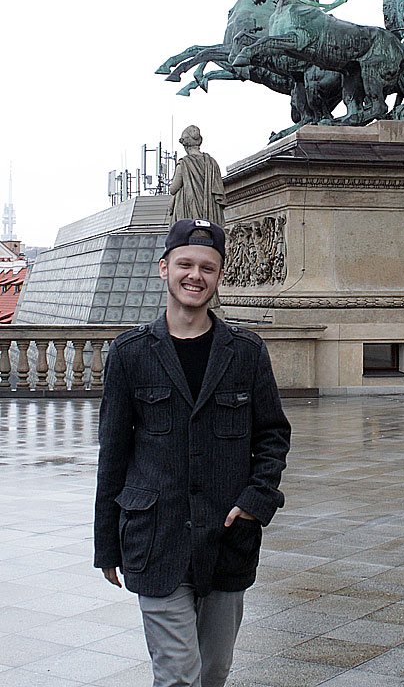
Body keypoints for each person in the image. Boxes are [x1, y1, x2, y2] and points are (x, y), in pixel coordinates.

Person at [94, 218, 291, 687]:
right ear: (164, 268)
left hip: (227, 537)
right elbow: (113, 454)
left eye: (207, 267)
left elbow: (273, 435)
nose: (195, 276)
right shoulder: (130, 353)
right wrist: (106, 544)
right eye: (185, 264)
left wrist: (256, 500)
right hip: (155, 538)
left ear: (219, 276)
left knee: (213, 672)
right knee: (178, 674)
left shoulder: (246, 352)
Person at [169, 126, 227, 227]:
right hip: (210, 217)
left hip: (190, 215)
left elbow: (173, 189)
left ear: (186, 145)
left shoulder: (184, 164)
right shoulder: (212, 163)